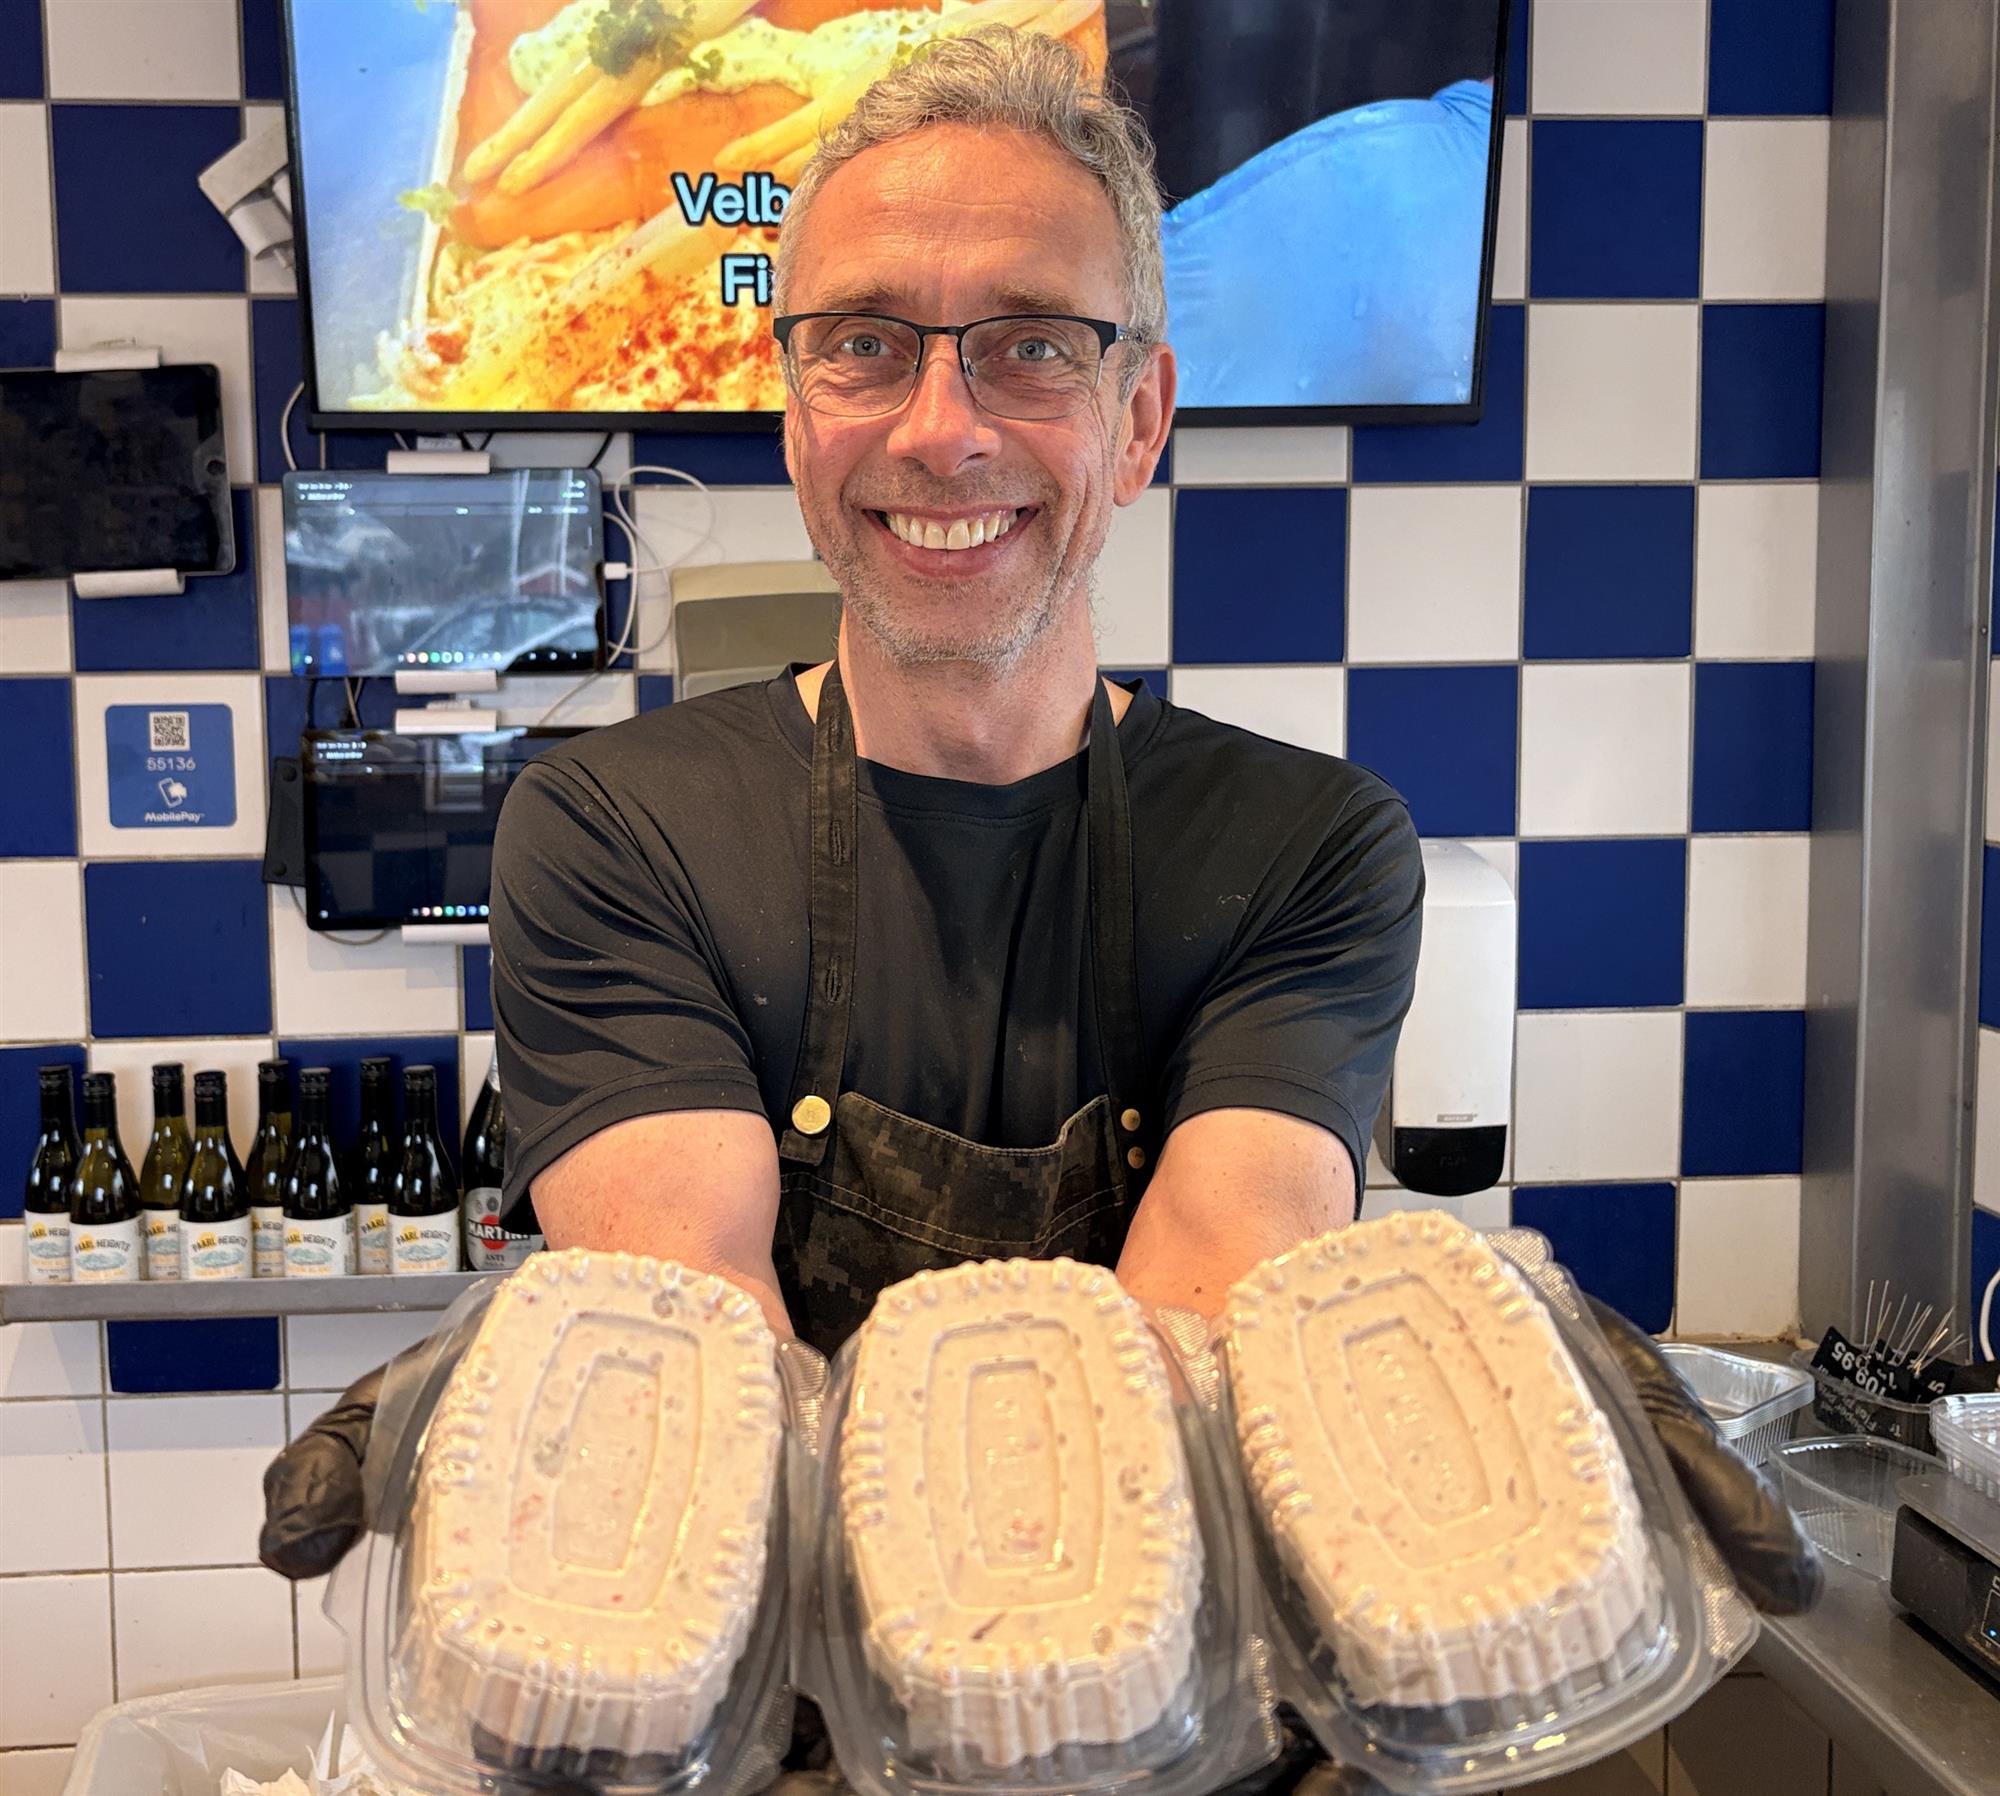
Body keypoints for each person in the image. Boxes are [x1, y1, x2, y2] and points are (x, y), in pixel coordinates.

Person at [261, 26, 1818, 1643]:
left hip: (1168, 1694)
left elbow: (1198, 1337)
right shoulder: (615, 832)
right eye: (866, 345)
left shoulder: (1308, 846)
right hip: (769, 1699)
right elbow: (706, 1353)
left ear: (1141, 420)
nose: (941, 429)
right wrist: (568, 1367)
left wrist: (1452, 1343)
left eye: (1030, 347)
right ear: (795, 415)